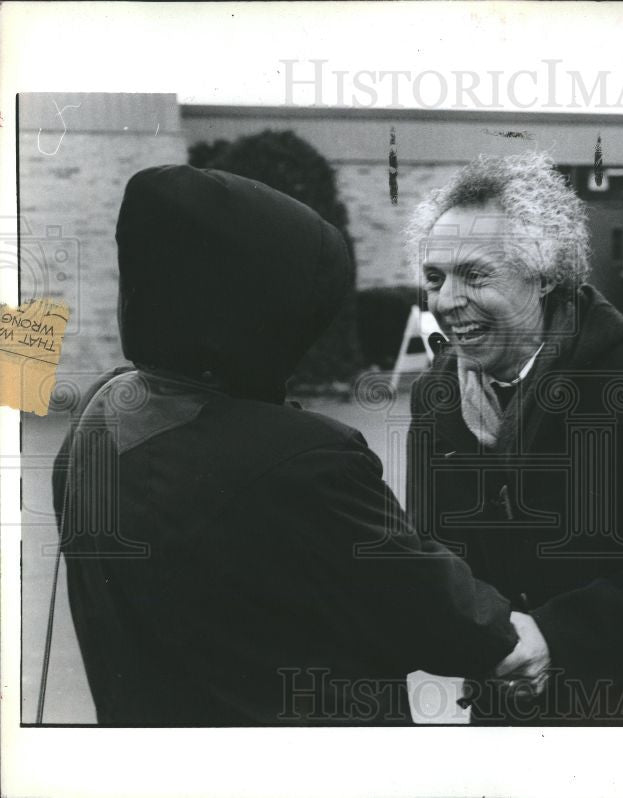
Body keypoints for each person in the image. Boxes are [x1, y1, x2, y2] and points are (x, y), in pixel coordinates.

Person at [50, 164, 539, 725]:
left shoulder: (100, 411)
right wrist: (516, 633)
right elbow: (423, 606)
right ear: (258, 309)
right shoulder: (301, 457)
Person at [405, 152, 623, 725]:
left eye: (475, 274)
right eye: (435, 278)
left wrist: (555, 635)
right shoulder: (436, 396)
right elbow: (436, 555)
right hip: (512, 716)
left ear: (542, 274)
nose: (446, 300)